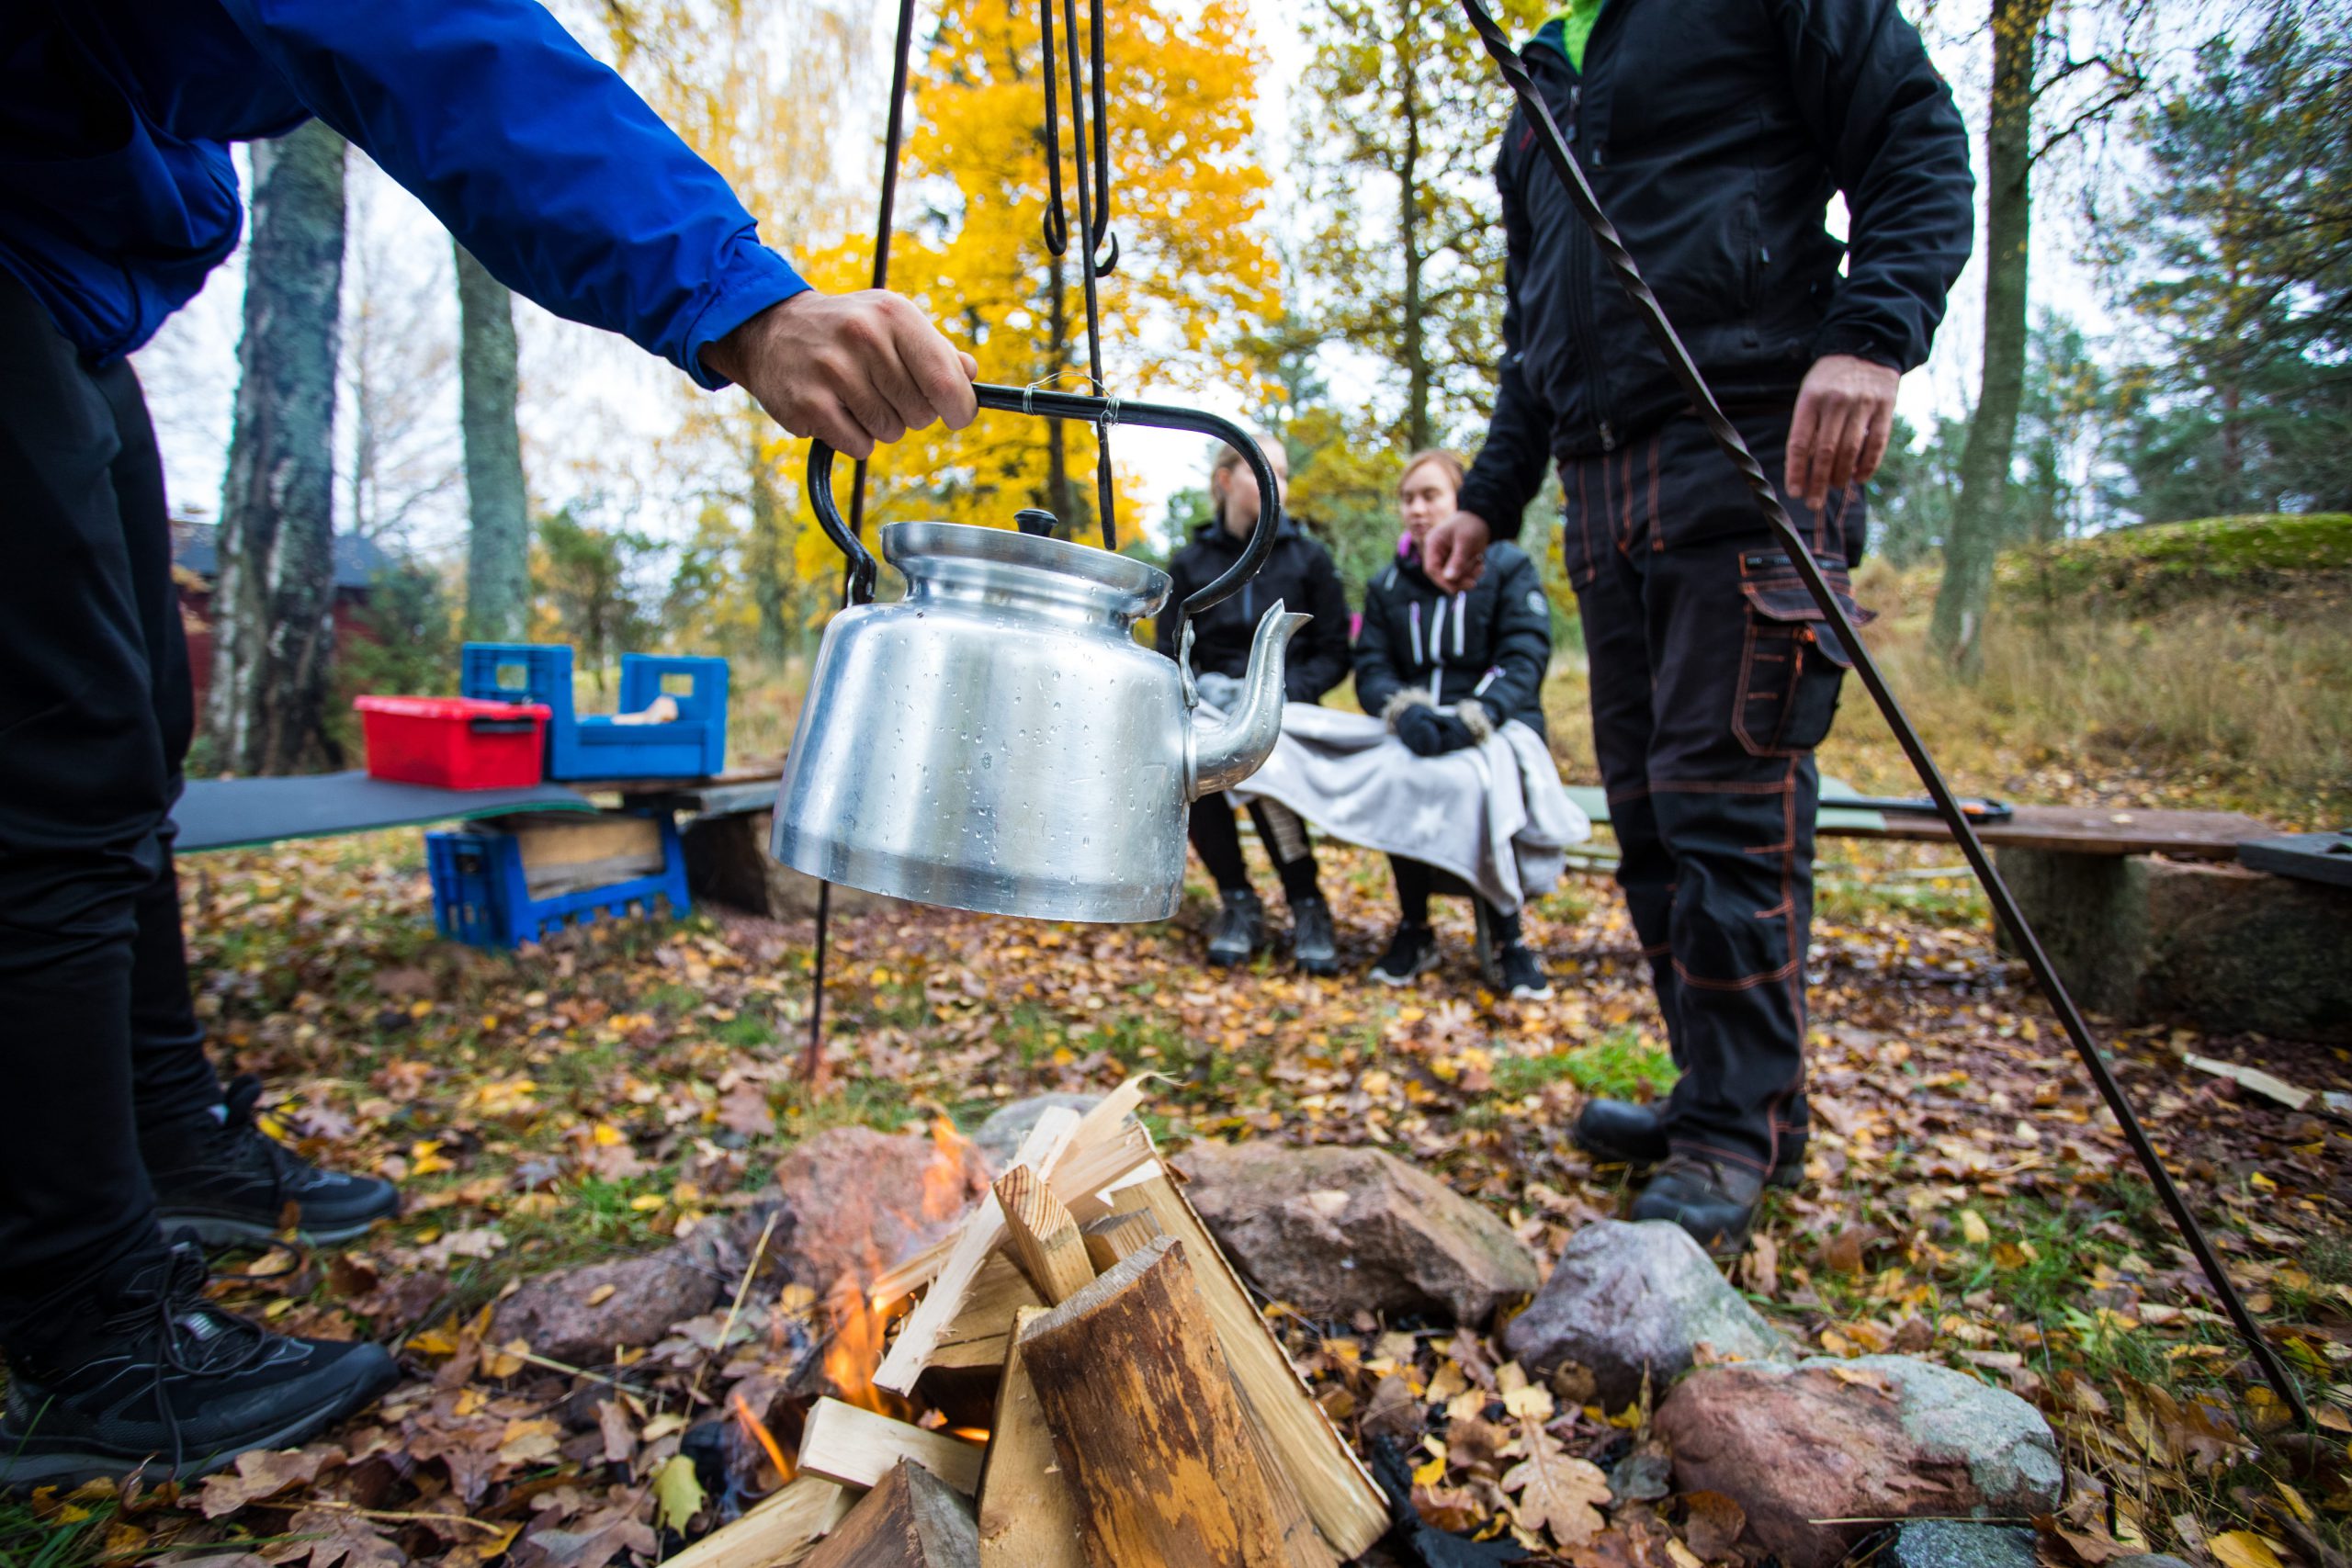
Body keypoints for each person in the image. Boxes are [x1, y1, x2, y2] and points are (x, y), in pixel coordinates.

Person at [1, 0, 978, 1486]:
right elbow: (434, 41)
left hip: (59, 250)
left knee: (137, 734)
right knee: (50, 766)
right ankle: (84, 1323)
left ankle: (169, 1132)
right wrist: (741, 300)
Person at [1422, 0, 1973, 1253]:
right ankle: (1724, 1094)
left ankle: (1739, 1126)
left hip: (1754, 444)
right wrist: (1489, 498)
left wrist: (1875, 331)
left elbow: (1915, 139)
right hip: (1600, 487)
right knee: (1655, 821)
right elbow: (1532, 337)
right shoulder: (1544, 76)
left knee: (1730, 808)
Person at [1352, 450, 1556, 1000]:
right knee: (1397, 774)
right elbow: (1371, 666)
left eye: (1430, 495)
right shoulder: (1387, 585)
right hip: (1416, 726)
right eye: (1408, 498)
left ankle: (1509, 933)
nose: (1417, 510)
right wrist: (1405, 710)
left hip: (1496, 724)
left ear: (1460, 499)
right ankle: (1415, 927)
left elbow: (1525, 653)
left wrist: (1478, 715)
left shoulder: (1507, 565)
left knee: (1476, 780)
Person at [1156, 436, 1352, 974]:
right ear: (1224, 481)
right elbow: (1168, 650)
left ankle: (1306, 902)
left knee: (1263, 760)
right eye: (1266, 471)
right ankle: (1238, 900)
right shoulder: (1191, 563)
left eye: (1285, 474)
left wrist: (1282, 693)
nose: (1278, 485)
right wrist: (1204, 690)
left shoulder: (1309, 559)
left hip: (1288, 709)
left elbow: (1335, 652)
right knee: (1191, 761)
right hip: (1208, 705)